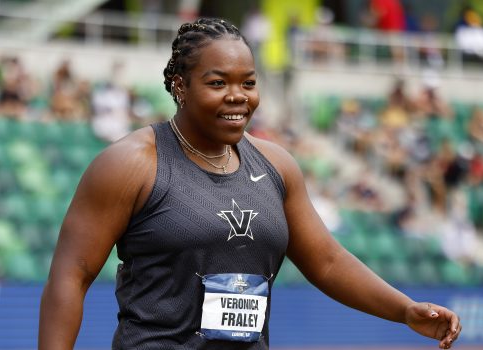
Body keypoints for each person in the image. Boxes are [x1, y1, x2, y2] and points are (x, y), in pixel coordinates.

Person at [39, 17, 461, 349]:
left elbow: (327, 261)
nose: (238, 95)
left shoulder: (277, 164)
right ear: (180, 86)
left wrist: (404, 310)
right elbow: (70, 276)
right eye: (218, 82)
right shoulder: (131, 164)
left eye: (249, 83)